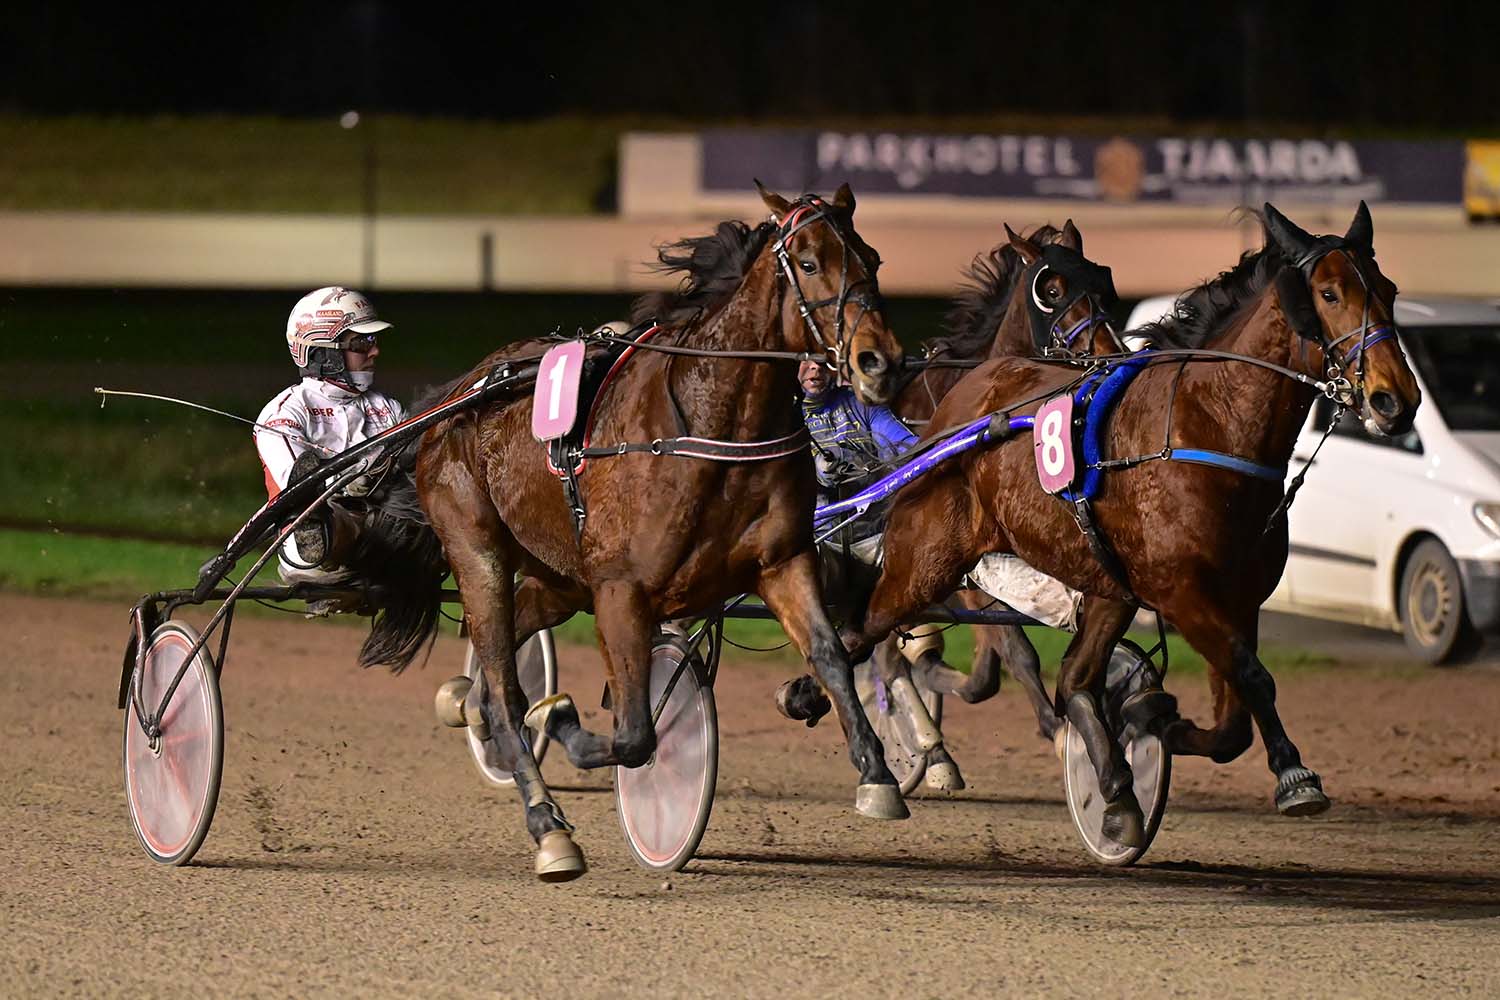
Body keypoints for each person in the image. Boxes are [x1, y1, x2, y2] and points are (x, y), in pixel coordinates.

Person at [255, 286, 407, 590]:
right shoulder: (285, 413)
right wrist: (356, 478)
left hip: (388, 530)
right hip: (319, 538)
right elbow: (297, 488)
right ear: (324, 352)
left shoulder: (388, 409)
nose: (375, 352)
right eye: (361, 343)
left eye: (373, 341)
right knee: (323, 517)